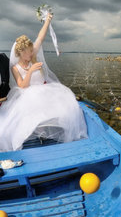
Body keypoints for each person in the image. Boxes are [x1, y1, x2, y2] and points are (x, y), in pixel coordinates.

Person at [0, 14, 87, 152]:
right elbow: (22, 86)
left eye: (31, 51)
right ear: (21, 53)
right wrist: (30, 71)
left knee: (68, 104)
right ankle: (35, 136)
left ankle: (50, 132)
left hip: (45, 90)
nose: (31, 54)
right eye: (28, 53)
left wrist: (47, 21)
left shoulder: (32, 55)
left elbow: (40, 37)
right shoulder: (15, 68)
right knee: (31, 107)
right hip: (26, 93)